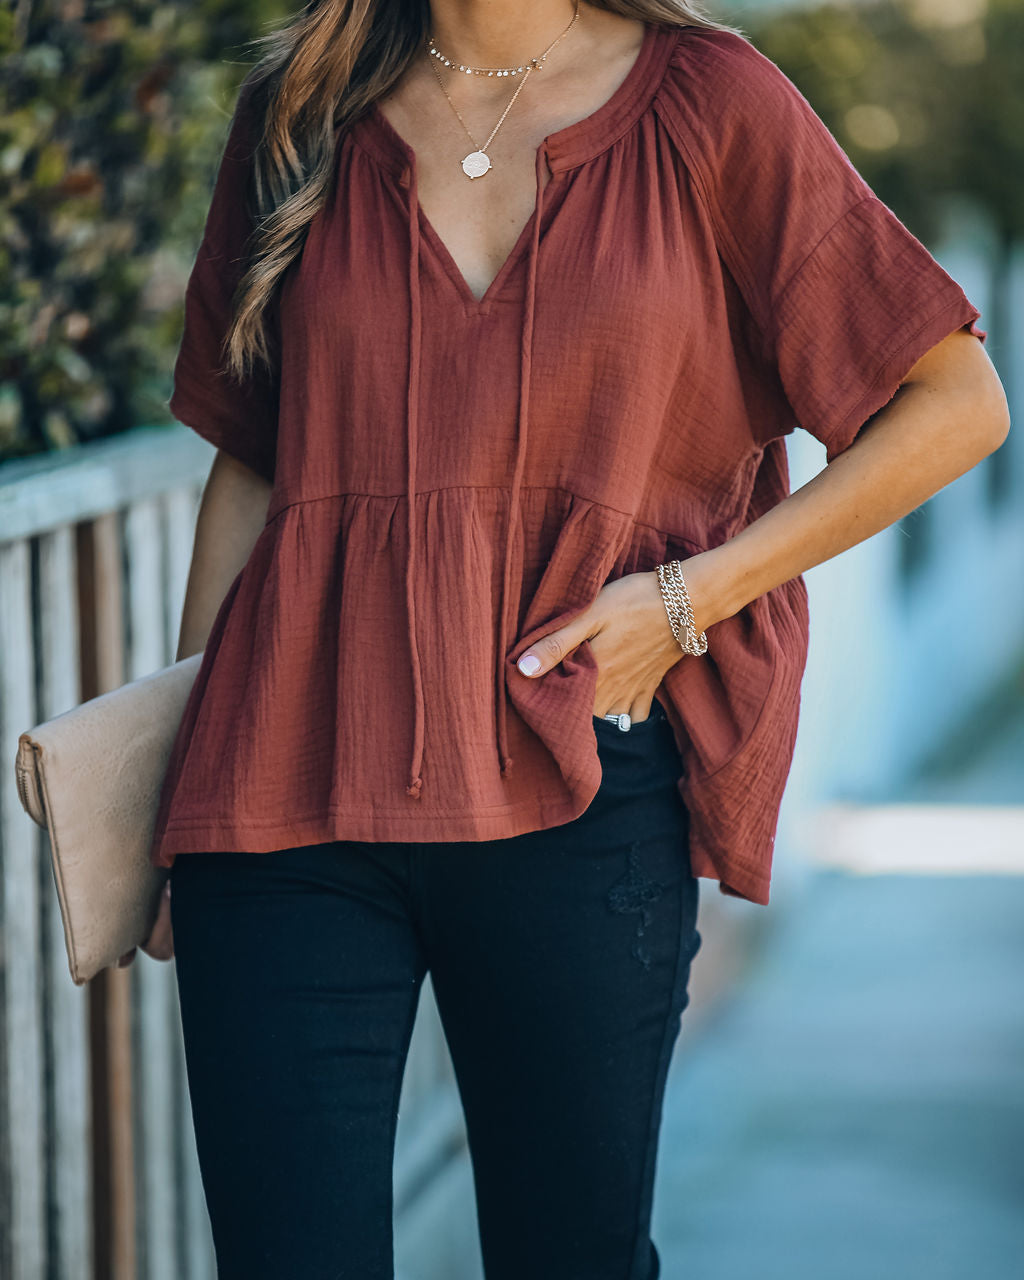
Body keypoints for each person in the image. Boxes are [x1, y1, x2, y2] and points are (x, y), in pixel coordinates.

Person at [124, 1, 1008, 1276]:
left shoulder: (713, 102)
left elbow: (955, 403)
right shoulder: (299, 112)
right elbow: (252, 468)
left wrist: (686, 599)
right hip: (282, 798)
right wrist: (179, 775)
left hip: (582, 790)